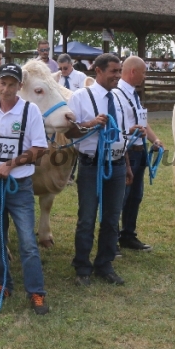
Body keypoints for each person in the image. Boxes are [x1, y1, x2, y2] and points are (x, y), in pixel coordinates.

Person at [0, 64, 50, 315]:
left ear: (20, 86)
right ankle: (2, 284)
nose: (6, 88)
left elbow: (39, 149)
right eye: (3, 83)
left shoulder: (30, 112)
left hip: (18, 185)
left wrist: (9, 165)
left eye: (12, 84)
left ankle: (36, 292)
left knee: (28, 241)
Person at [65, 53, 129, 286]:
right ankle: (82, 266)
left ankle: (105, 264)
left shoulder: (120, 98)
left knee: (112, 218)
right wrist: (90, 124)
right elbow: (69, 132)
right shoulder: (80, 97)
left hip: (118, 164)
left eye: (119, 71)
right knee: (87, 218)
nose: (118, 76)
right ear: (98, 71)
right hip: (92, 165)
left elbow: (122, 132)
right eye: (113, 71)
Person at [115, 56, 164, 253]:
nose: (145, 76)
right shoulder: (117, 95)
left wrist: (155, 139)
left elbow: (142, 121)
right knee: (121, 197)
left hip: (139, 150)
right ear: (133, 72)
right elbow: (117, 125)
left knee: (135, 196)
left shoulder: (133, 95)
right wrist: (132, 132)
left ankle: (128, 235)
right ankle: (112, 239)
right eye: (143, 72)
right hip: (126, 151)